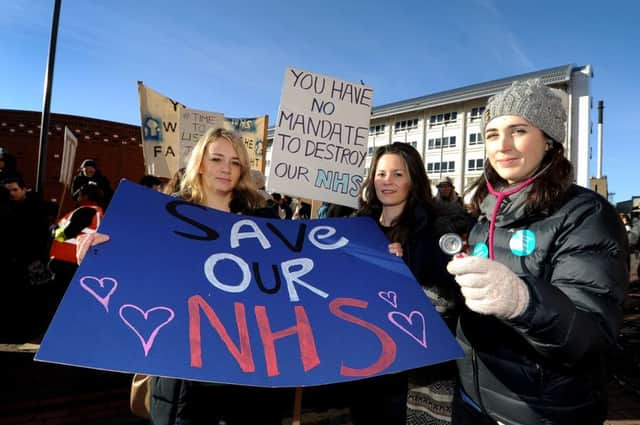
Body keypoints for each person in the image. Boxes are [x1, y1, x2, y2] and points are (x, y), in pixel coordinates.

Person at [77, 128, 291, 425]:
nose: (226, 168)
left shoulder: (263, 220)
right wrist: (105, 253)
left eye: (235, 162)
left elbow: (287, 286)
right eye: (217, 159)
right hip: (182, 376)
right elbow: (139, 268)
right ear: (200, 163)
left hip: (246, 377)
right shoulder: (164, 215)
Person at [446, 79, 628, 425]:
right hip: (473, 401)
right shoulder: (485, 215)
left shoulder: (585, 214)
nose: (503, 146)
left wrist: (523, 300)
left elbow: (590, 334)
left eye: (518, 130)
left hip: (542, 412)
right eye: (492, 134)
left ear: (548, 140)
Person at [352, 142, 460, 425]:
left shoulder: (435, 229)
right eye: (381, 173)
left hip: (414, 373)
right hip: (365, 360)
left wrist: (403, 275)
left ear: (413, 180)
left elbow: (450, 298)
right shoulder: (356, 225)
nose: (387, 182)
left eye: (398, 174)